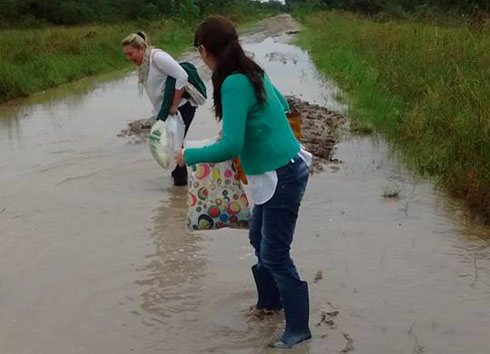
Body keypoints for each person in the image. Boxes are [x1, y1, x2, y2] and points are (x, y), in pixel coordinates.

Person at [175, 16, 312, 349]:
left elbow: (232, 146)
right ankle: (270, 303)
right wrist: (246, 128)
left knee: (276, 255)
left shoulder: (233, 82)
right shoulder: (251, 70)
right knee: (257, 237)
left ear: (204, 51)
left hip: (280, 173)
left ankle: (298, 330)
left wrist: (186, 156)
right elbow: (280, 106)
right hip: (284, 167)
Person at [122, 31, 205, 186]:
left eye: (130, 53)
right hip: (167, 111)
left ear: (141, 48)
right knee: (170, 147)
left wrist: (173, 104)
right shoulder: (143, 65)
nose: (129, 58)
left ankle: (180, 190)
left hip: (181, 107)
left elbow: (181, 76)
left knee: (174, 148)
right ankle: (179, 183)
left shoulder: (157, 57)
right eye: (126, 55)